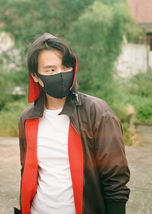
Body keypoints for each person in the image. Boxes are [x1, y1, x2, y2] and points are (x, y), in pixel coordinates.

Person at [15, 33, 130, 214]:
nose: (60, 74)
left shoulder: (97, 112)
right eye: (51, 70)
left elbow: (115, 181)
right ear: (36, 77)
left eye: (65, 66)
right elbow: (27, 171)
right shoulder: (28, 118)